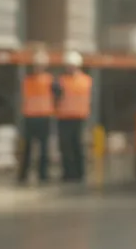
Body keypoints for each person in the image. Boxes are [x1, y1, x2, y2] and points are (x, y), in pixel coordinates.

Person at [55, 51, 92, 182]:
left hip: (78, 118)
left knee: (78, 146)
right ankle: (68, 173)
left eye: (72, 66)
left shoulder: (85, 80)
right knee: (66, 147)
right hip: (64, 117)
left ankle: (79, 173)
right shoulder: (61, 80)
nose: (70, 68)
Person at [18, 52, 55, 183]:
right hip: (30, 117)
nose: (38, 67)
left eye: (41, 65)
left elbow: (57, 95)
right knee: (27, 147)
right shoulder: (28, 80)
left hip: (44, 117)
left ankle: (43, 174)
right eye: (37, 65)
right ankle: (23, 174)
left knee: (44, 148)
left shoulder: (50, 80)